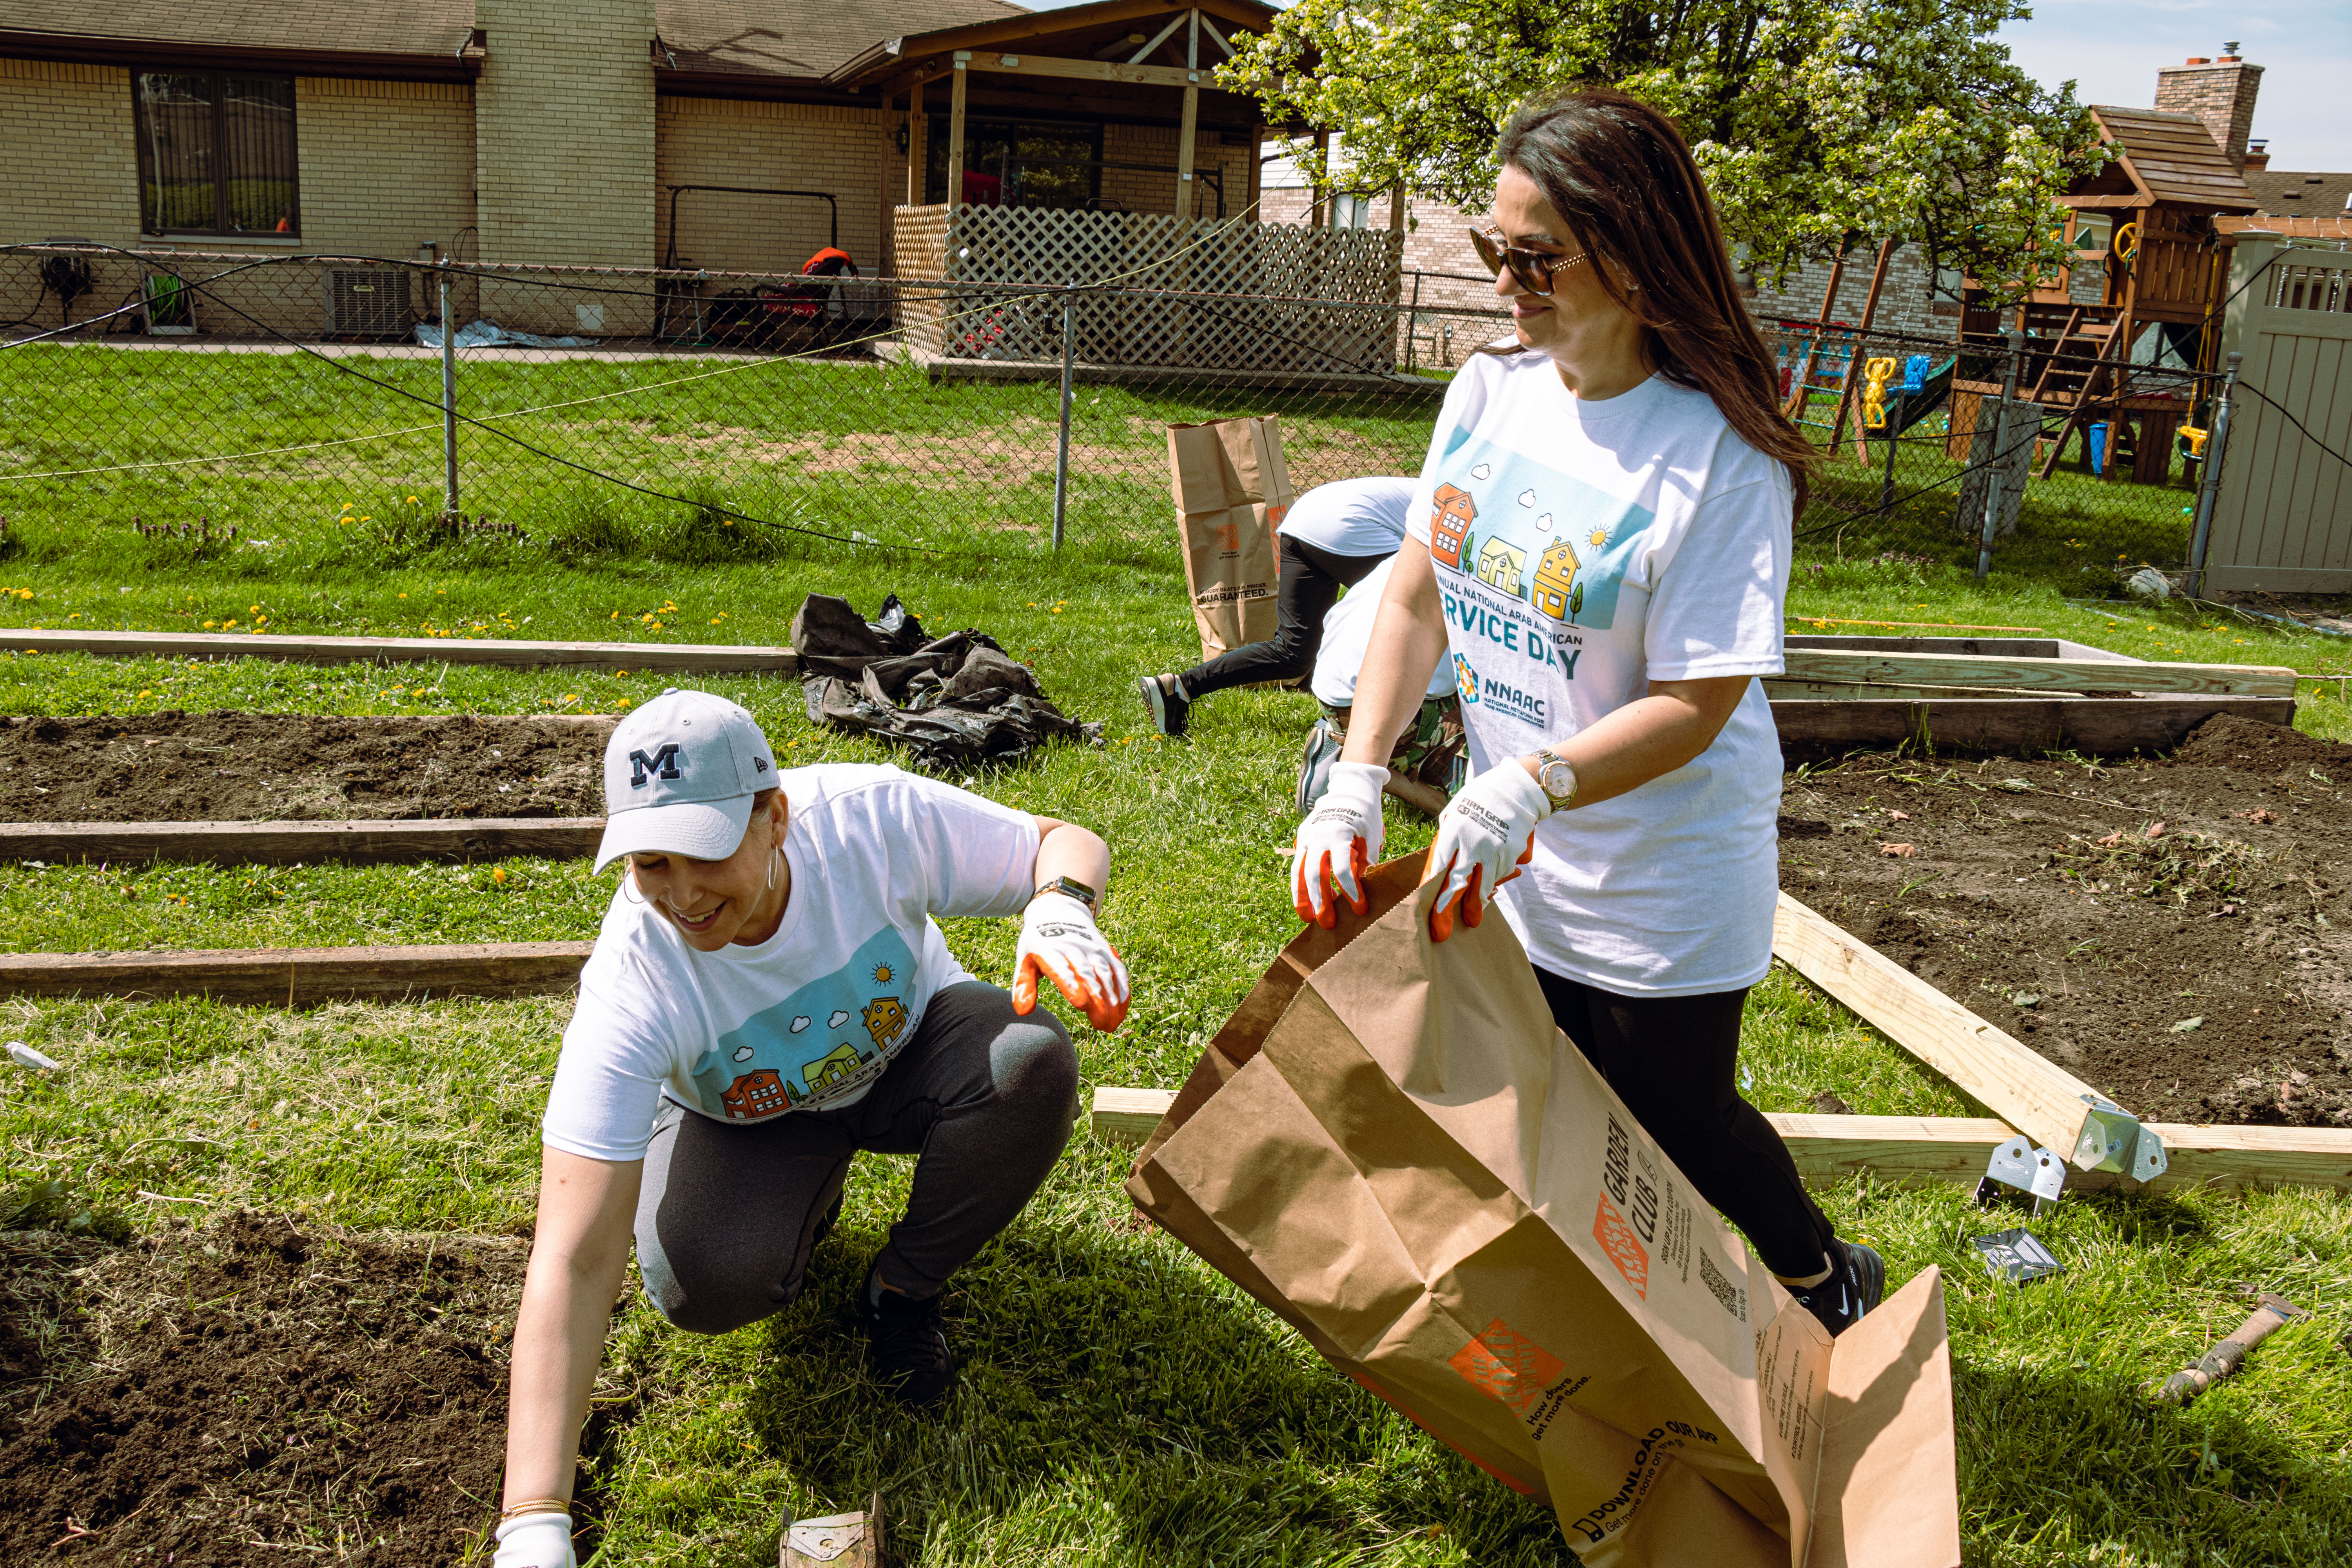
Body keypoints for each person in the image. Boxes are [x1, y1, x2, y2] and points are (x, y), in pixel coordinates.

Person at [1289, 89, 1887, 1339]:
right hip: (1516, 850)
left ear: (1632, 252)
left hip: (1656, 868)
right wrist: (1357, 775)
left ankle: (1818, 1273)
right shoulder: (1489, 391)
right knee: (1541, 1090)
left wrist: (1526, 786)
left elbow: (1697, 698)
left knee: (1674, 1115)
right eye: (1490, 249)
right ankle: (1612, 1319)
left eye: (1533, 257)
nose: (1504, 282)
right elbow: (1415, 592)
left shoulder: (1719, 453)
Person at [492, 690, 1129, 1568]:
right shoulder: (635, 978)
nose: (681, 892)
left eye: (705, 852)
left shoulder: (868, 819)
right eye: (649, 862)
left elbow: (1065, 839)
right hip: (747, 1118)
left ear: (775, 816)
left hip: (909, 1049)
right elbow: (571, 1253)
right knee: (701, 1281)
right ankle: (800, 1198)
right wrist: (533, 1520)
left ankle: (900, 1291)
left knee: (1027, 1059)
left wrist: (1059, 904)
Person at [1139, 475, 1415, 736]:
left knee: (1293, 653)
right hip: (1349, 524)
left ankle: (1180, 687)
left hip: (1304, 518)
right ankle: (1354, 718)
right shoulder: (1453, 499)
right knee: (1405, 618)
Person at [1293, 552, 1463, 817]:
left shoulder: (1420, 545)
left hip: (1334, 688)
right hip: (1388, 706)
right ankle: (1364, 765)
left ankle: (1354, 746)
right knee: (1478, 809)